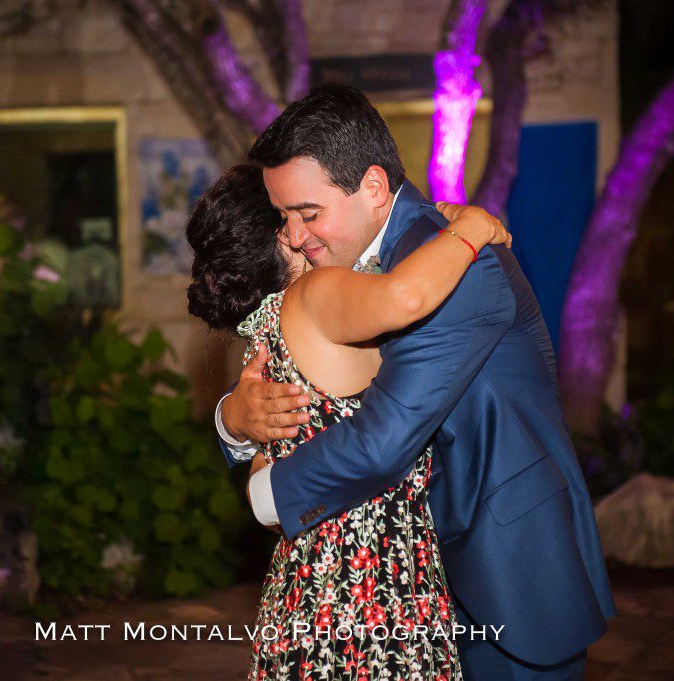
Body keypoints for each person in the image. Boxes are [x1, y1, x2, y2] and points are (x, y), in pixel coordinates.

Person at [215, 84, 616, 680]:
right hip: (416, 583)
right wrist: (235, 420)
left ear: (374, 188)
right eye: (284, 217)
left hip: (507, 570)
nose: (295, 236)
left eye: (309, 213)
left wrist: (265, 495)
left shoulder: (460, 264)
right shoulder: (369, 266)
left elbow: (384, 437)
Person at [187, 162, 511, 679]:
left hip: (302, 597)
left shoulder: (264, 337)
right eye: (294, 214)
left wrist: (231, 419)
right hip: (374, 595)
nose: (306, 227)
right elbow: (406, 297)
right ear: (282, 236)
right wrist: (470, 228)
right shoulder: (316, 295)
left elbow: (266, 500)